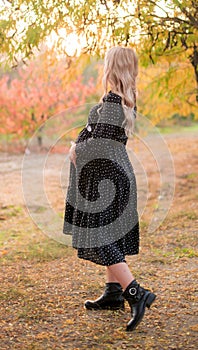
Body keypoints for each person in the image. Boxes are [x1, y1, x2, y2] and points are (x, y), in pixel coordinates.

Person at [63, 46, 156, 332]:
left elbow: (100, 145)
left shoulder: (115, 103)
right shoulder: (124, 100)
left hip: (109, 181)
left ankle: (135, 293)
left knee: (100, 235)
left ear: (111, 67)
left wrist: (76, 149)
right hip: (116, 177)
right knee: (109, 231)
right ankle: (113, 293)